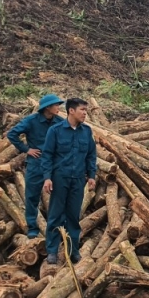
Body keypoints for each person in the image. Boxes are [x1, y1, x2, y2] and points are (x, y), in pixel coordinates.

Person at [41, 98, 97, 265]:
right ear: (71, 111)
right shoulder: (55, 131)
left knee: (73, 216)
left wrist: (92, 175)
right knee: (55, 214)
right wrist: (47, 178)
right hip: (60, 179)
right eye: (82, 110)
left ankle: (73, 251)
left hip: (78, 180)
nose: (85, 113)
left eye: (86, 110)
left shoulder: (86, 132)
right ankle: (51, 251)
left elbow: (91, 155)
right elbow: (47, 155)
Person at [6, 94, 63, 238]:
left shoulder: (60, 122)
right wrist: (26, 149)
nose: (58, 107)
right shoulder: (31, 121)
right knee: (32, 196)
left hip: (55, 163)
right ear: (48, 108)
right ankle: (32, 228)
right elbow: (12, 134)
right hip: (36, 163)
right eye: (56, 105)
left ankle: (57, 227)